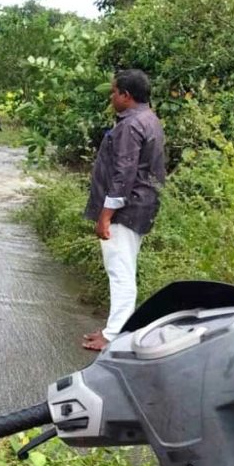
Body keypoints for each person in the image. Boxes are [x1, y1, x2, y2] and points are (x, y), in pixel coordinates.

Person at [81, 69, 166, 352]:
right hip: (142, 204)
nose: (111, 95)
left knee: (120, 271)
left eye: (114, 91)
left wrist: (105, 215)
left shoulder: (130, 126)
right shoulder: (149, 119)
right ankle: (114, 329)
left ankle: (115, 335)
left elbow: (123, 174)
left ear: (126, 96)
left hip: (126, 209)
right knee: (124, 268)